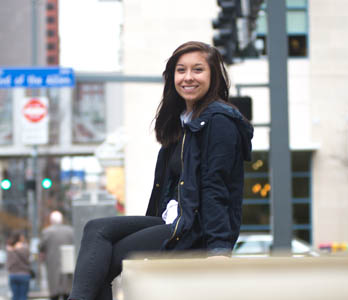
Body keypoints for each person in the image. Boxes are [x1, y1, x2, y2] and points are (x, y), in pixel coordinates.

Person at [68, 41, 253, 300]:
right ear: (172, 77)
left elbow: (216, 186)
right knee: (96, 229)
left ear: (213, 76)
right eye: (181, 70)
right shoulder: (181, 123)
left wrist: (219, 249)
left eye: (198, 70)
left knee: (104, 261)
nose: (188, 77)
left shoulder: (219, 122)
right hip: (172, 221)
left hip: (194, 230)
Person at [39, 210, 75, 300]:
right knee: (67, 289)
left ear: (51, 221)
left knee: (54, 290)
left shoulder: (47, 232)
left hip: (52, 264)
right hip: (68, 265)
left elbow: (41, 246)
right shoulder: (70, 231)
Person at [5, 232, 32, 300]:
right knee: (23, 297)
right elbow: (28, 259)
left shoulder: (9, 248)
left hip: (13, 274)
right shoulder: (25, 247)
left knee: (15, 297)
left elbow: (9, 262)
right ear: (20, 238)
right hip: (24, 274)